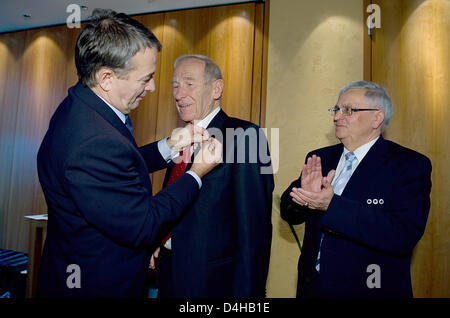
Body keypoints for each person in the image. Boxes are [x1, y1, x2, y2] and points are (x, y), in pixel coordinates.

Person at [36, 9, 222, 298]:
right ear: (107, 78)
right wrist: (197, 173)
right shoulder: (92, 140)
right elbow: (143, 225)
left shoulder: (84, 105)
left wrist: (169, 146)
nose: (153, 87)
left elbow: (119, 167)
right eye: (145, 78)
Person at [280, 81, 431, 298]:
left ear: (377, 118)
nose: (336, 117)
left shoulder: (409, 165)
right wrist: (304, 198)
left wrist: (332, 205)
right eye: (336, 109)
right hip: (313, 288)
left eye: (348, 110)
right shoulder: (322, 157)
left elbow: (402, 235)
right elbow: (288, 212)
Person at [151, 55, 274, 298]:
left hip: (213, 283)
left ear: (216, 88)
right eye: (175, 86)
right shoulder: (180, 137)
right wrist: (162, 238)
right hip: (168, 272)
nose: (178, 94)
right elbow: (178, 199)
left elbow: (254, 230)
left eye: (189, 83)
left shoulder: (246, 135)